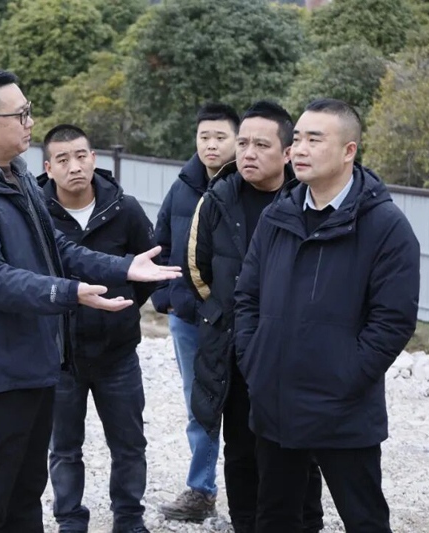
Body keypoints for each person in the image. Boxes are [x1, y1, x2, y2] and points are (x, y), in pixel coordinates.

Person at [0, 68, 180, 533]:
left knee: (24, 501)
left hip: (35, 365)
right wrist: (69, 293)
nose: (30, 122)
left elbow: (56, 248)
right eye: (20, 114)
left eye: (29, 112)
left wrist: (122, 268)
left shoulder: (15, 176)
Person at [234, 98, 420, 533]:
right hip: (275, 402)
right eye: (297, 139)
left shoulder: (386, 226)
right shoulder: (279, 215)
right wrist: (255, 360)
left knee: (364, 519)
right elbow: (247, 297)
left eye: (314, 140)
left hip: (343, 409)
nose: (299, 149)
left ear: (348, 150)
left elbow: (392, 321)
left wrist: (346, 376)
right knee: (276, 518)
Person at [184, 101, 324, 533]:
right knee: (241, 447)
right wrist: (229, 315)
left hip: (295, 350)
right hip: (234, 347)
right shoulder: (217, 199)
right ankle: (245, 523)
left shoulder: (308, 201)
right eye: (243, 143)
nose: (248, 153)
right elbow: (197, 270)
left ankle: (307, 523)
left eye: (261, 145)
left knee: (298, 447)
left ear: (287, 152)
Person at [38, 124, 155, 533]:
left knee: (129, 444)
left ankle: (129, 518)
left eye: (81, 156)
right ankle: (70, 520)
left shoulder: (125, 209)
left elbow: (147, 271)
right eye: (63, 159)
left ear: (94, 159)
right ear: (48, 168)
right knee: (64, 449)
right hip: (59, 357)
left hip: (117, 355)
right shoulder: (36, 213)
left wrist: (122, 313)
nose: (74, 166)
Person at [154, 103, 239, 522]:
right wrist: (166, 298)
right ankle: (201, 490)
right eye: (204, 136)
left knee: (245, 404)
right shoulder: (183, 186)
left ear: (237, 141)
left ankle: (251, 491)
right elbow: (160, 242)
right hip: (188, 318)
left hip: (235, 319)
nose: (211, 145)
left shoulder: (247, 185)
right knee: (198, 403)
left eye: (220, 137)